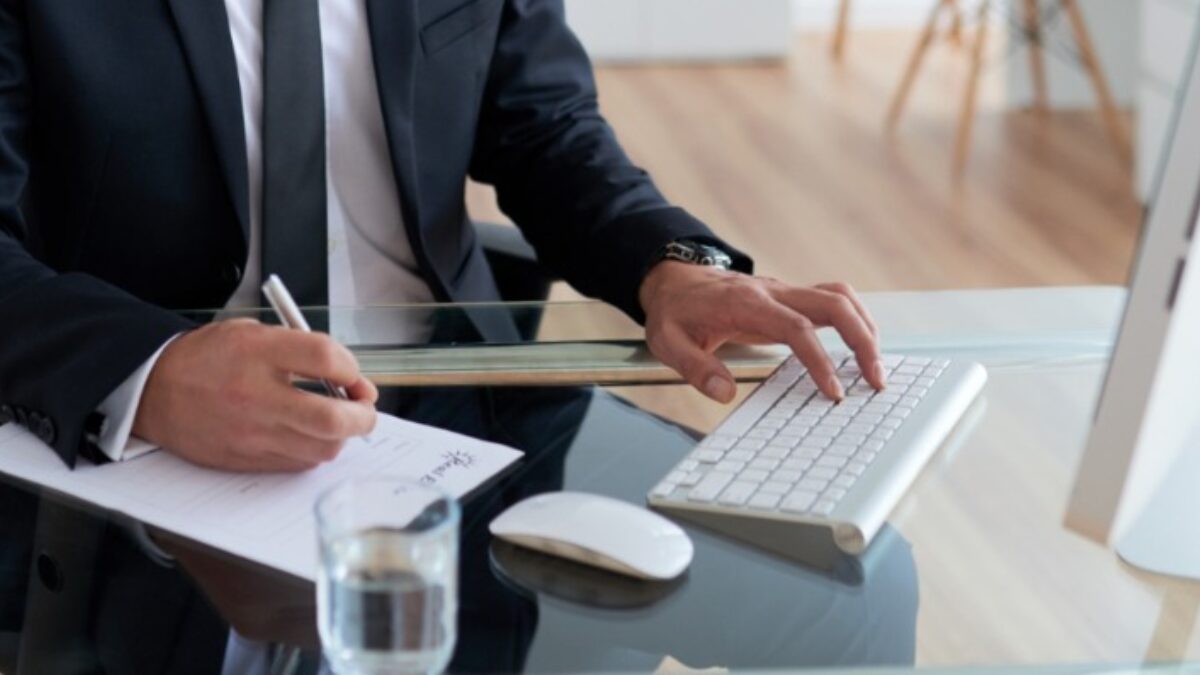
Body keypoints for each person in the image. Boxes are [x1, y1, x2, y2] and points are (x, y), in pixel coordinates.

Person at [0, 0, 884, 472]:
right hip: (154, 444)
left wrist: (670, 264)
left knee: (864, 594)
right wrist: (155, 372)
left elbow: (545, 128)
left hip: (458, 395)